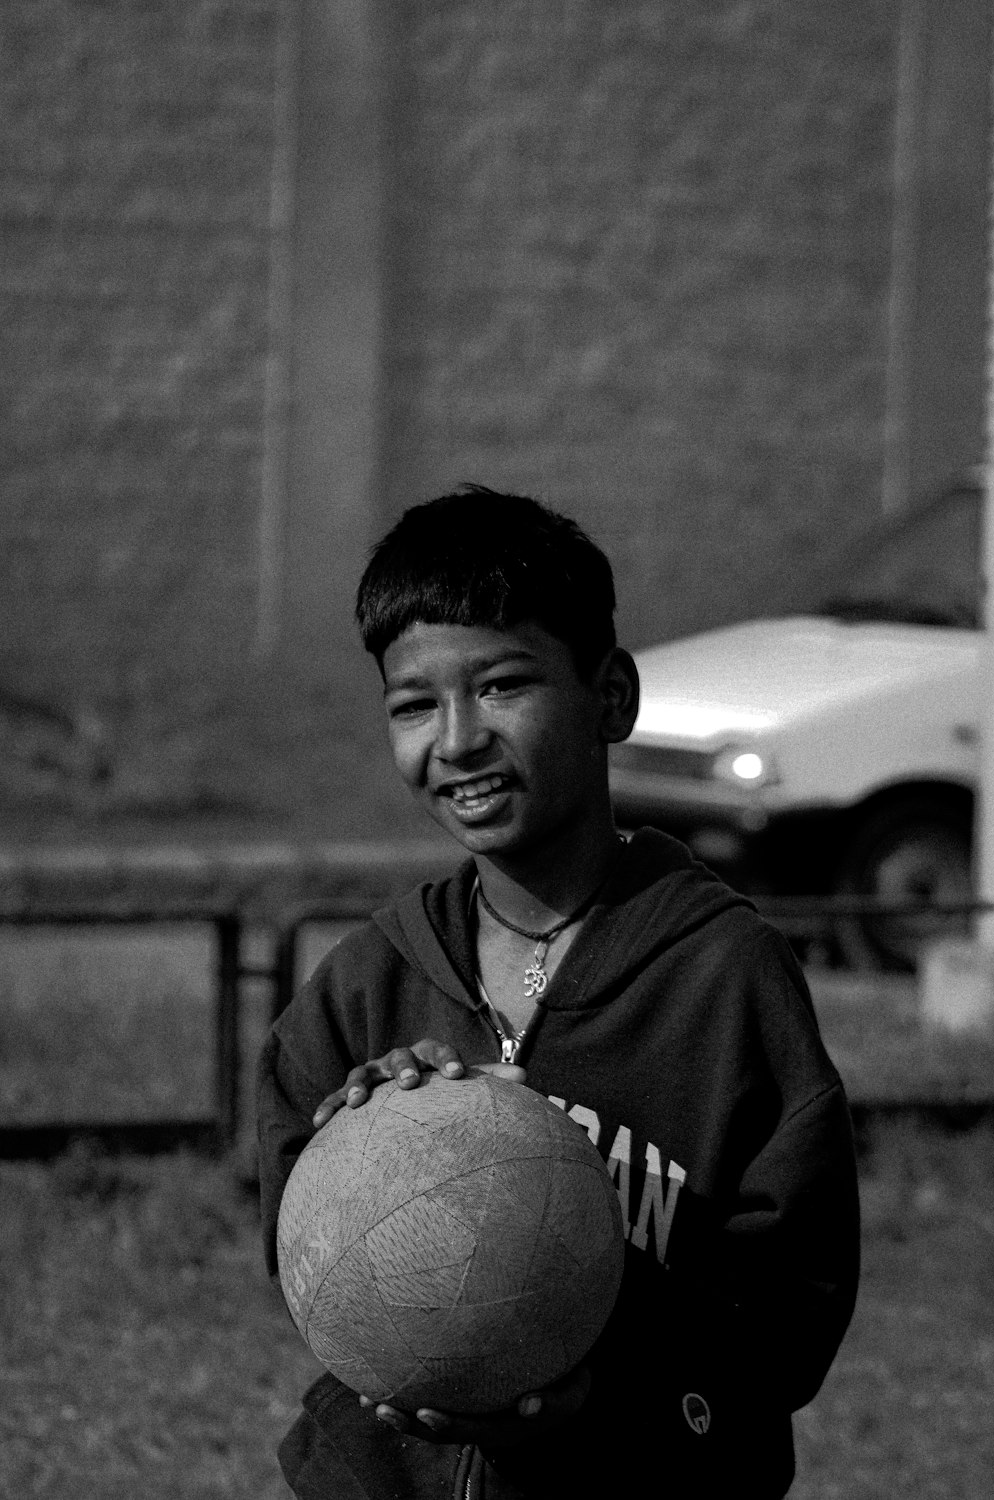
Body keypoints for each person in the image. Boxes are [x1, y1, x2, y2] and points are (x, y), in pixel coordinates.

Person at [257, 485, 860, 1500]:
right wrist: (360, 1152)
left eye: (501, 685)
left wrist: (608, 1382)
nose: (456, 739)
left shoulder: (720, 977)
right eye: (415, 703)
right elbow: (300, 1248)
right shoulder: (369, 981)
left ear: (610, 697)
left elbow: (791, 1301)